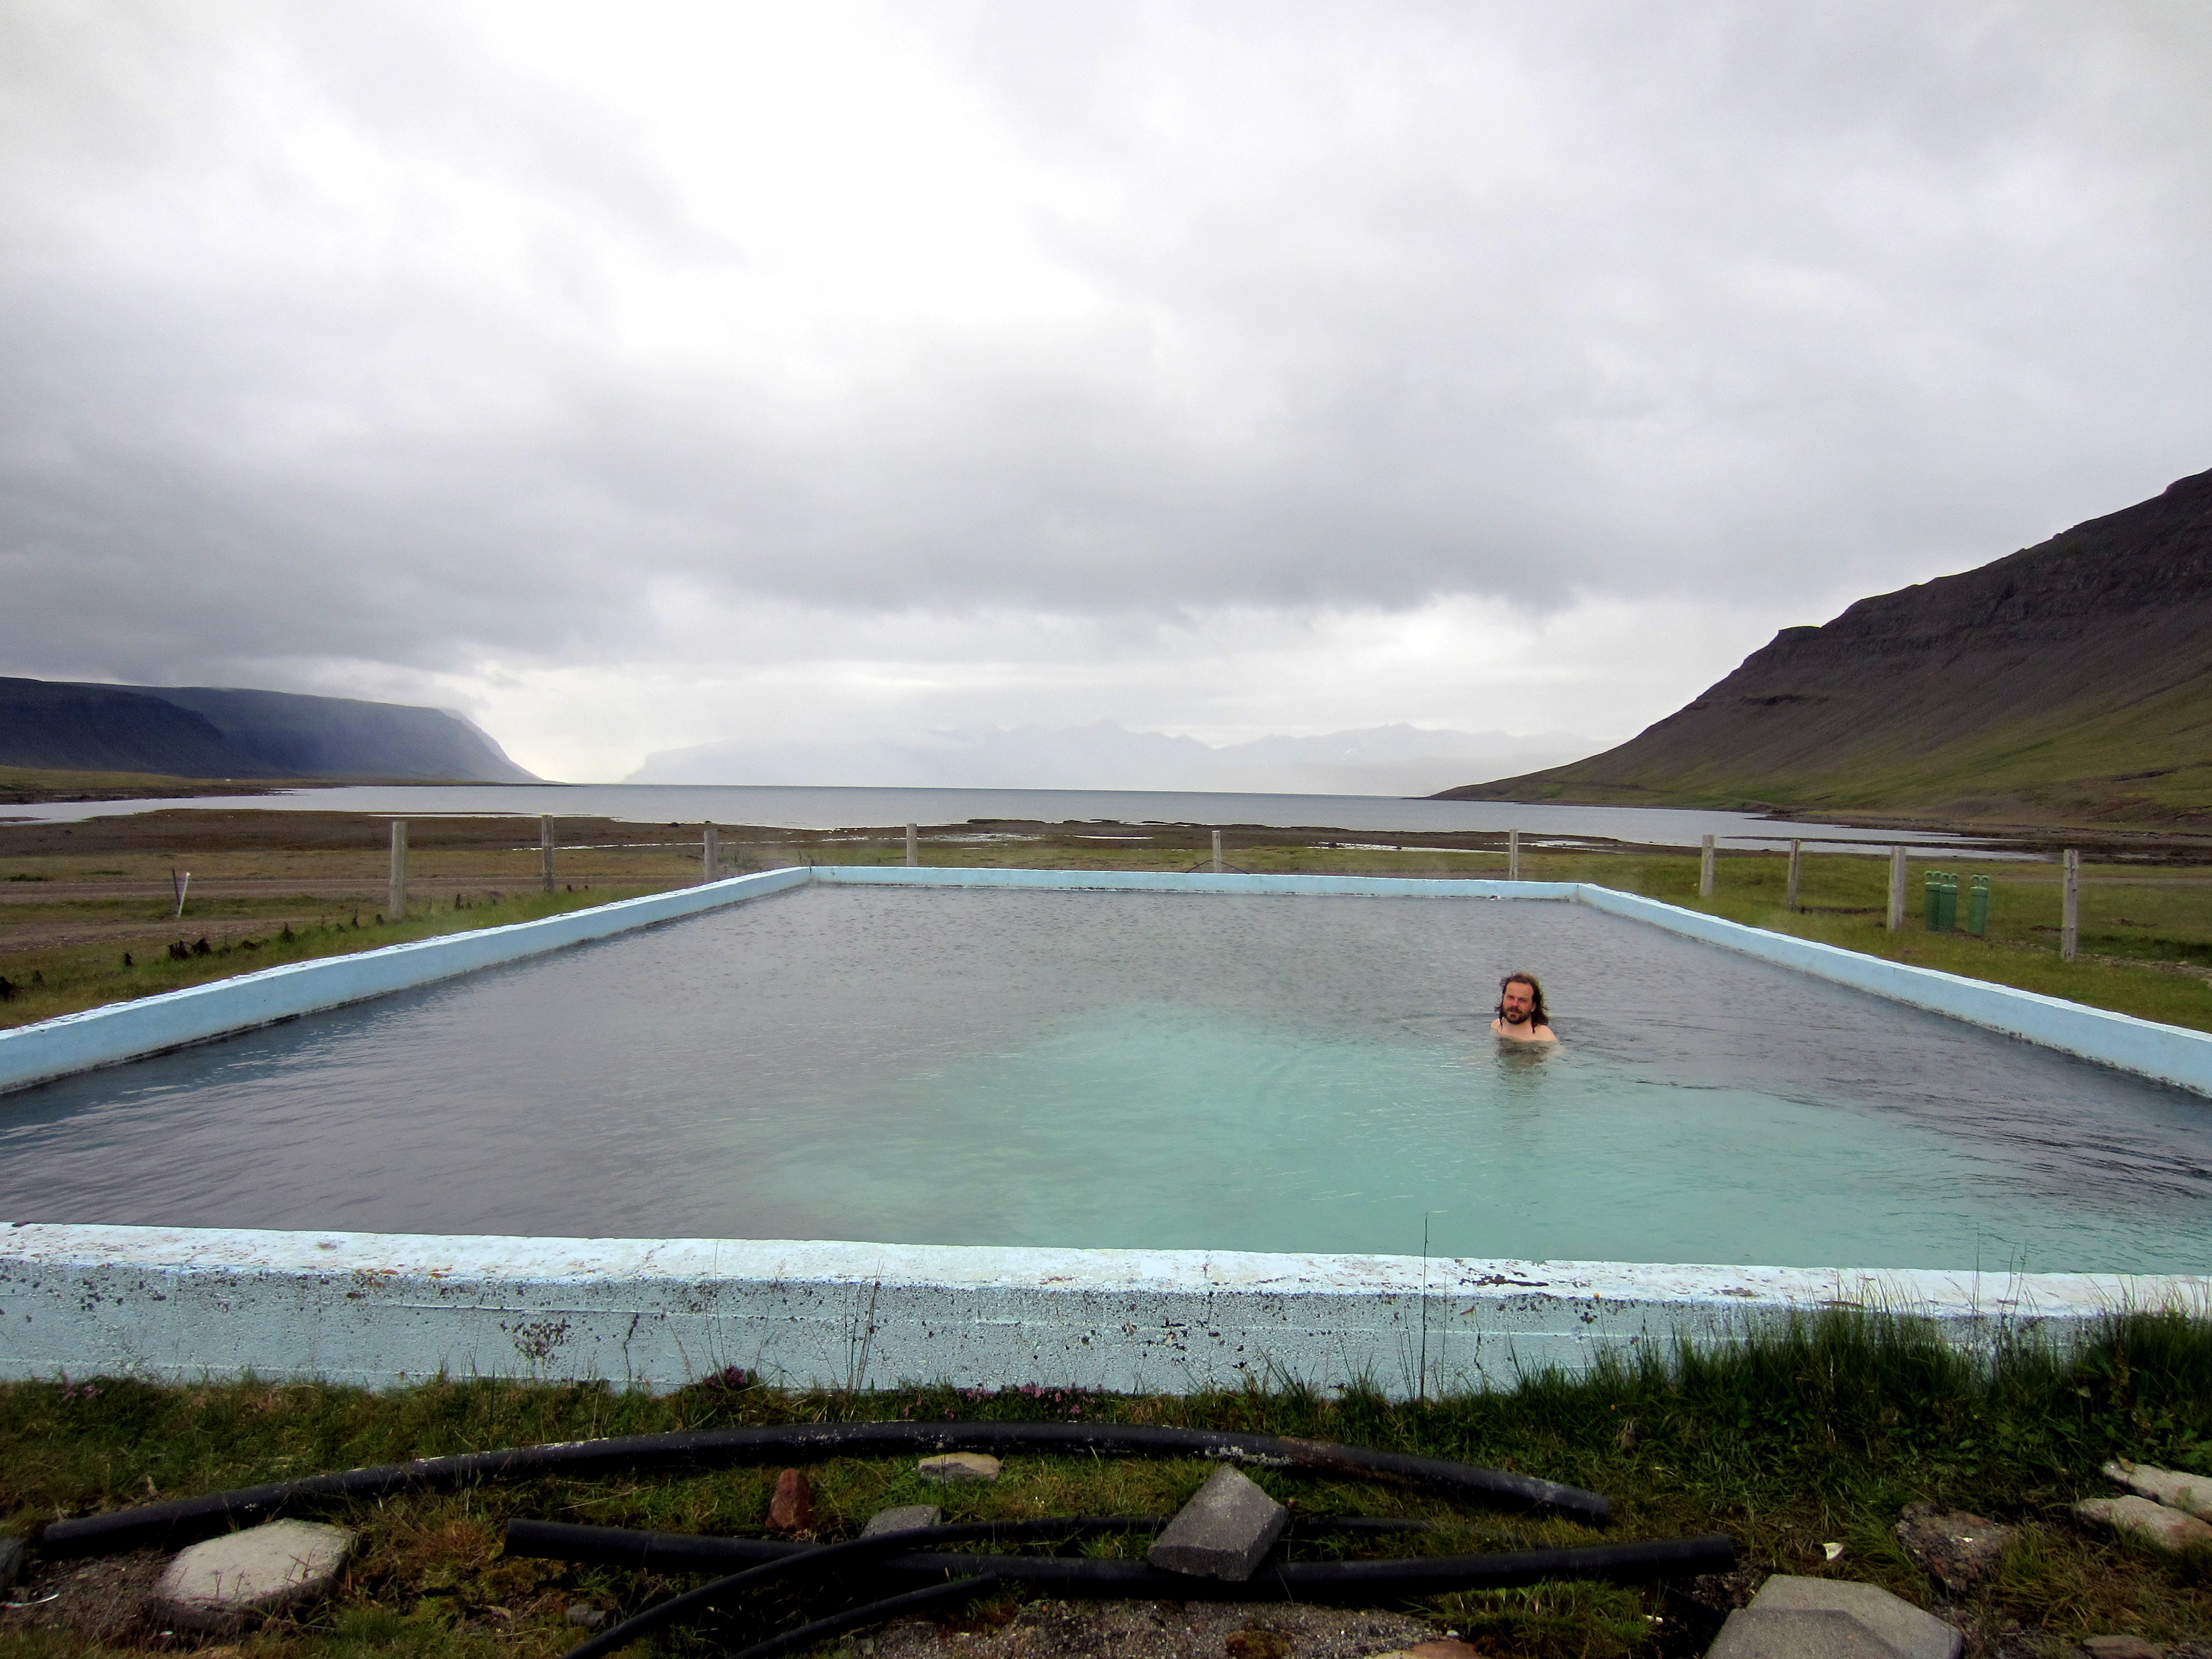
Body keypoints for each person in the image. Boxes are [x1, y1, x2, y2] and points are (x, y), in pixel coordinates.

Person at [1491, 971, 1557, 1043]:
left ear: (1533, 1006)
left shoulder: (1545, 1038)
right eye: (1511, 998)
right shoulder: (1496, 1027)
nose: (1514, 1004)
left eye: (1522, 1000)